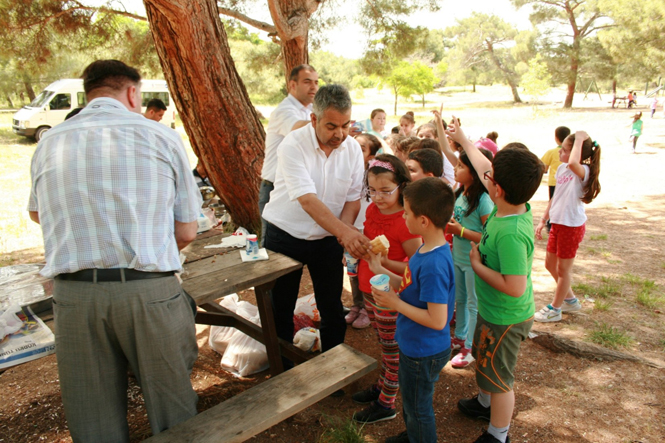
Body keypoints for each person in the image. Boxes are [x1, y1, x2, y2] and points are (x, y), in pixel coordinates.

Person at [27, 60, 202, 442]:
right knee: (174, 413)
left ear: (87, 93)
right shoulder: (162, 137)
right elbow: (187, 229)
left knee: (93, 421)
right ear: (132, 93)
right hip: (148, 292)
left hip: (74, 297)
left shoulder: (49, 142)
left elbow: (39, 213)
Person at [446, 116, 544, 443]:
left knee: (500, 377)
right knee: (484, 359)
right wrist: (461, 138)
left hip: (507, 316)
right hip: (492, 311)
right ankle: (483, 403)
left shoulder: (511, 233)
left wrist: (478, 265)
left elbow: (515, 287)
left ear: (496, 188)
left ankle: (498, 434)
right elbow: (483, 163)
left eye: (490, 176)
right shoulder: (509, 204)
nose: (486, 174)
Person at [263, 84, 369, 366]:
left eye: (346, 125)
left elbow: (352, 199)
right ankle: (283, 370)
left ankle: (332, 368)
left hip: (327, 238)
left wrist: (343, 233)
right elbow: (308, 201)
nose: (340, 134)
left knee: (332, 306)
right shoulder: (293, 145)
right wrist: (345, 232)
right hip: (285, 236)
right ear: (314, 119)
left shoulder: (353, 151)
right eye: (332, 126)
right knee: (280, 306)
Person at [366, 177, 455, 443]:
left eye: (407, 213)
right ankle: (413, 435)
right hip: (414, 345)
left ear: (424, 221)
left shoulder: (434, 264)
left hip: (423, 351)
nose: (403, 217)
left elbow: (438, 320)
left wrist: (394, 304)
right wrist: (380, 270)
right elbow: (407, 285)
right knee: (412, 399)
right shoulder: (425, 249)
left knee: (419, 408)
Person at [351, 155, 422, 424]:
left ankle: (387, 402)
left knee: (392, 347)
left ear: (402, 186)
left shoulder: (406, 221)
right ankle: (383, 384)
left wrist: (381, 261)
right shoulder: (371, 211)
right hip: (370, 288)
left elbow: (415, 267)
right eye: (372, 190)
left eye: (385, 191)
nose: (378, 197)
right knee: (384, 343)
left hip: (390, 294)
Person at [534, 132, 601, 322]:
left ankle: (555, 309)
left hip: (571, 226)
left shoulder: (583, 171)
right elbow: (556, 196)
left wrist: (579, 139)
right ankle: (570, 300)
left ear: (576, 154)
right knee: (549, 264)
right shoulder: (563, 169)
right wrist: (543, 219)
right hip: (557, 223)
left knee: (563, 270)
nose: (560, 152)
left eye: (564, 150)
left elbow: (573, 163)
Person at [259, 64, 319, 244]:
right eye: (307, 82)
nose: (314, 87)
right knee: (272, 248)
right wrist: (327, 122)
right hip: (274, 188)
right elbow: (297, 128)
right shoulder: (284, 110)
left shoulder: (310, 110)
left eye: (316, 82)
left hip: (295, 186)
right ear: (292, 85)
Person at [446, 149, 494, 369]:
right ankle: (460, 337)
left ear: (474, 173)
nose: (455, 169)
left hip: (474, 262)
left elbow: (488, 235)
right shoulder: (460, 193)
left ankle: (470, 347)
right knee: (460, 300)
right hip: (458, 257)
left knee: (473, 304)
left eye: (461, 166)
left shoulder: (483, 200)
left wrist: (461, 231)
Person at [345, 133, 382, 329]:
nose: (353, 149)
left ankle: (369, 309)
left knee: (366, 269)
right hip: (350, 228)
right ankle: (357, 305)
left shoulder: (375, 176)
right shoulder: (347, 170)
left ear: (370, 157)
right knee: (352, 270)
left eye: (361, 148)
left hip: (367, 229)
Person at [541, 126, 571, 231]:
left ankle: (550, 225)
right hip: (568, 182)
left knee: (553, 203)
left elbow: (544, 168)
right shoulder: (572, 153)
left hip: (554, 182)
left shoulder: (551, 152)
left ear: (556, 138)